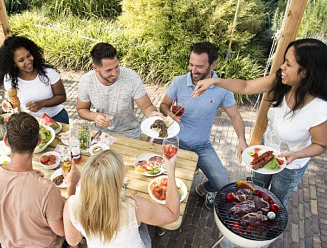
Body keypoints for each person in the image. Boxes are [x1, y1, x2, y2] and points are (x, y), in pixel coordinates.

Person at [192, 38, 327, 208]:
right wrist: (214, 81)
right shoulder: (281, 81)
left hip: (290, 164)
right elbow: (246, 86)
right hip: (266, 148)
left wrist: (297, 155)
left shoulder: (319, 108)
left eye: (288, 64)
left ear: (305, 72)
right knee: (256, 189)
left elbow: (321, 145)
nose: (282, 67)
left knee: (274, 201)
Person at [0, 112, 80, 248]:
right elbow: (63, 231)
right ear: (39, 141)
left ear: (6, 141)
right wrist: (71, 187)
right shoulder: (46, 189)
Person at [63, 149, 180, 248]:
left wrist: (71, 186)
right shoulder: (135, 206)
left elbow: (73, 241)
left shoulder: (71, 204)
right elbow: (173, 215)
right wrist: (170, 170)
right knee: (142, 223)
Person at [160, 42, 248, 210]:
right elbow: (163, 105)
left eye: (199, 66)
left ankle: (203, 189)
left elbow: (236, 117)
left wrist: (242, 140)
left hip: (201, 146)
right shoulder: (178, 82)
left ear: (212, 65)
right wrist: (170, 114)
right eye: (191, 65)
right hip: (174, 140)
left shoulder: (222, 88)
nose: (193, 71)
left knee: (223, 185)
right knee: (157, 173)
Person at [77, 42, 161, 139]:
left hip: (129, 134)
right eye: (108, 70)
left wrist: (152, 114)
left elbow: (147, 107)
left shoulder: (131, 77)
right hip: (100, 133)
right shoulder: (86, 81)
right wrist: (94, 116)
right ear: (95, 68)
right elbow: (81, 110)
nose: (115, 73)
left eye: (116, 67)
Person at [0, 36, 69, 124]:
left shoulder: (49, 72)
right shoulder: (9, 79)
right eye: (21, 60)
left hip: (57, 118)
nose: (28, 61)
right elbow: (11, 103)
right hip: (29, 122)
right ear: (13, 63)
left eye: (29, 56)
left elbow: (62, 96)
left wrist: (42, 103)